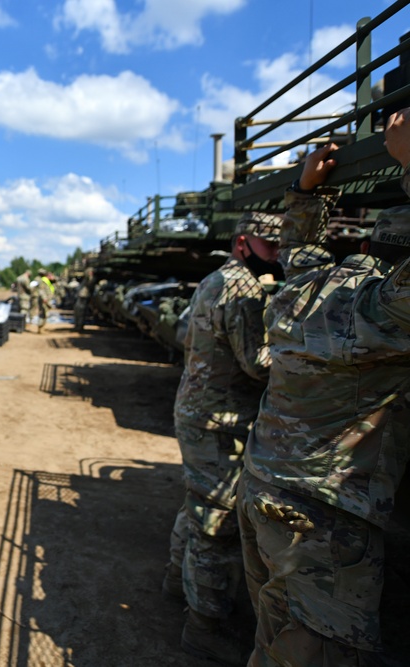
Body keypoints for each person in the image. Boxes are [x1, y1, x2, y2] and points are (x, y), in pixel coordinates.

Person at [238, 113, 410, 666]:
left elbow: (299, 250)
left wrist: (304, 191)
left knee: (273, 637)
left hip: (264, 492)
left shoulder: (313, 288)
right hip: (323, 520)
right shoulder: (381, 313)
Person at [162, 210, 283, 664]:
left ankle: (178, 583)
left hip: (202, 414)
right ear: (242, 244)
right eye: (270, 247)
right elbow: (259, 363)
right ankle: (204, 626)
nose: (277, 257)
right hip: (220, 423)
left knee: (198, 507)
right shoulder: (244, 288)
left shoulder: (217, 278)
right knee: (218, 525)